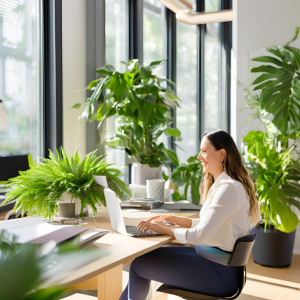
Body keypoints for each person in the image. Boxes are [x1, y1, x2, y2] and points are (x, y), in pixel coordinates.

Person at [119, 129, 260, 300]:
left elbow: (196, 236)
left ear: (222, 154)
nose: (199, 157)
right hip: (215, 261)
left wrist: (162, 228)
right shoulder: (224, 185)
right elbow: (208, 226)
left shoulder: (228, 188)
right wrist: (173, 220)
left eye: (204, 151)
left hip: (219, 273)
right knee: (142, 259)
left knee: (138, 265)